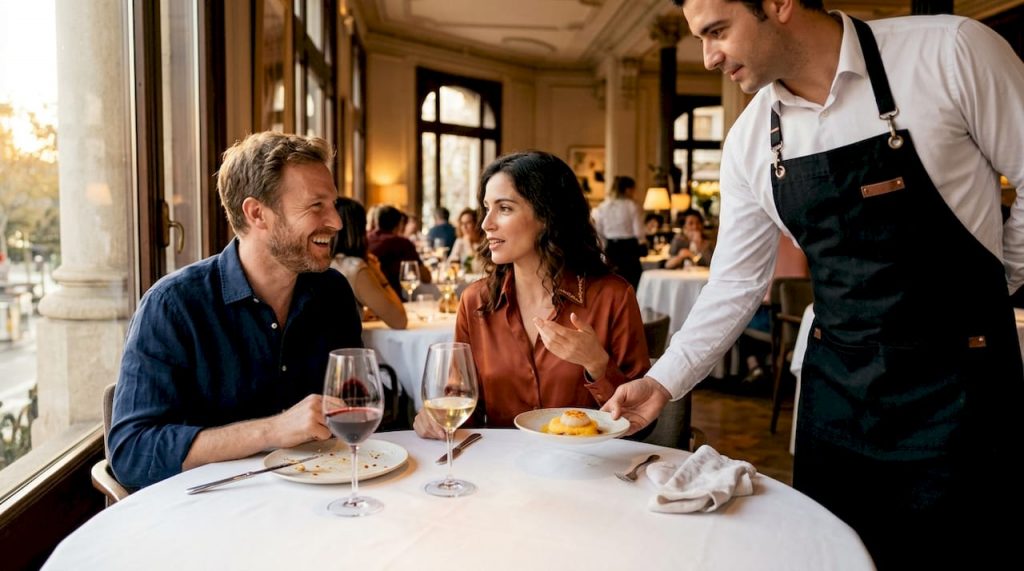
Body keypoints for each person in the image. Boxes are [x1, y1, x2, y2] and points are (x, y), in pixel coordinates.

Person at [604, 1, 1024, 567]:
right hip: (839, 398)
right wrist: (661, 383)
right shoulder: (750, 139)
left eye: (718, 32)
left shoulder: (950, 51)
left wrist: (997, 276)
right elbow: (734, 285)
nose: (707, 58)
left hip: (961, 392)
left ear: (778, 4)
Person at [108, 132, 363, 489]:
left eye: (333, 204)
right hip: (209, 518)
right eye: (316, 206)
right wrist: (273, 430)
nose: (336, 221)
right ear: (257, 213)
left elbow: (357, 403)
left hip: (320, 501)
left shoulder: (333, 293)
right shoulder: (173, 306)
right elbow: (133, 453)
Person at [414, 151, 649, 437]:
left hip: (590, 472)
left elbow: (641, 425)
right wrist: (434, 420)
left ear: (547, 216)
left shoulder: (613, 297)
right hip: (501, 473)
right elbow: (464, 408)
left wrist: (598, 366)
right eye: (486, 208)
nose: (486, 223)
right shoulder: (475, 302)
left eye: (504, 208)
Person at [332, 197, 408, 329]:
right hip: (345, 349)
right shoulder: (355, 268)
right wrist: (380, 276)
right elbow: (399, 321)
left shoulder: (317, 263)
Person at [592, 175, 645, 289]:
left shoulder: (603, 206)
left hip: (612, 248)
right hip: (629, 248)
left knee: (613, 283)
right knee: (632, 284)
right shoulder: (632, 206)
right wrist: (643, 243)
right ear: (627, 190)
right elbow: (638, 231)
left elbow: (599, 231)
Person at [368, 204, 431, 299]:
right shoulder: (402, 243)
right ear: (399, 224)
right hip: (391, 300)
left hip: (367, 300)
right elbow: (426, 278)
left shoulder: (366, 239)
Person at [447, 207, 486, 274]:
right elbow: (450, 265)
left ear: (476, 224)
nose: (464, 227)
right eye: (462, 223)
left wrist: (469, 246)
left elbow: (480, 268)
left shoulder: (485, 242)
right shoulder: (460, 241)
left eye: (468, 223)